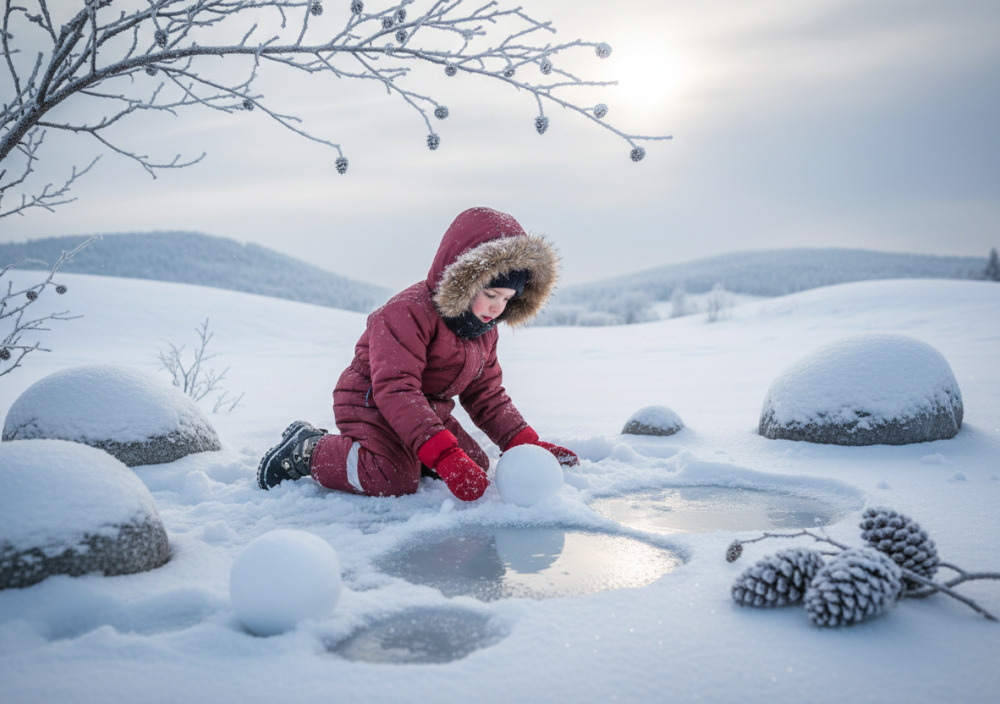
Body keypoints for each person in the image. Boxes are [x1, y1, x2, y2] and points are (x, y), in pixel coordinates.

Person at [256, 207, 579, 501]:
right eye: (492, 294)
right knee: (391, 477)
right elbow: (395, 389)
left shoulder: (483, 329)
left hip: (426, 410)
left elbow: (487, 394)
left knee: (476, 464)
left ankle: (413, 451)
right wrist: (444, 455)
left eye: (507, 298)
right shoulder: (406, 313)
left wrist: (525, 444)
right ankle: (308, 449)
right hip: (371, 402)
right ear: (464, 280)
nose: (498, 307)